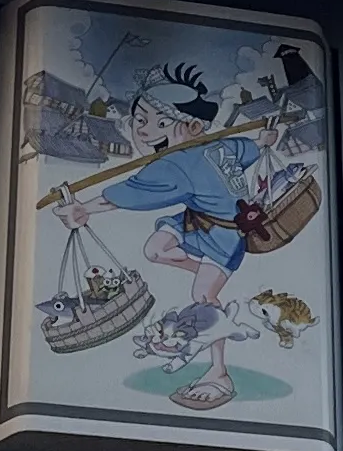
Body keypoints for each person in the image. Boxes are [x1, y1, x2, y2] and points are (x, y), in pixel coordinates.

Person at [63, 64, 262, 411]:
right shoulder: (220, 146)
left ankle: (218, 372)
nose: (144, 132)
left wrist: (85, 209)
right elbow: (249, 148)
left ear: (193, 127)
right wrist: (264, 140)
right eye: (140, 121)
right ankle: (206, 275)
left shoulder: (176, 164)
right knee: (155, 249)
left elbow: (129, 192)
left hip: (225, 236)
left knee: (203, 294)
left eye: (158, 123)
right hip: (194, 222)